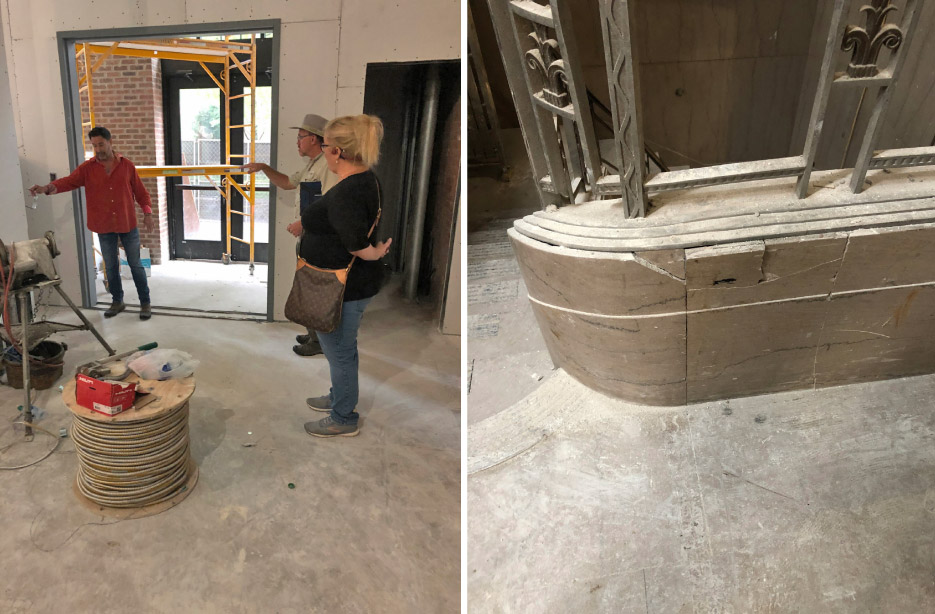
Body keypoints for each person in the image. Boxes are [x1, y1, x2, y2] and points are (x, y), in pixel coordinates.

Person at [302, 114, 392, 438]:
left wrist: (373, 252)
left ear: (337, 151)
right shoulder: (364, 180)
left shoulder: (348, 192)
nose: (322, 151)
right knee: (343, 349)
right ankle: (338, 397)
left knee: (339, 351)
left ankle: (343, 417)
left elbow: (356, 243)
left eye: (324, 145)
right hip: (352, 285)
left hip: (344, 288)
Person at [30, 126, 154, 320]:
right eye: (94, 145)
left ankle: (145, 303)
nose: (98, 149)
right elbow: (68, 182)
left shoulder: (126, 166)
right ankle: (117, 301)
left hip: (127, 223)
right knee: (111, 266)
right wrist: (46, 188)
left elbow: (141, 192)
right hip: (104, 226)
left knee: (135, 264)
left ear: (110, 142)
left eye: (101, 144)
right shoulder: (87, 169)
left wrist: (147, 214)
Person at [243, 113, 338, 357]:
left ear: (315, 140)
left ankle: (318, 342)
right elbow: (287, 183)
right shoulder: (312, 164)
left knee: (312, 289)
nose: (297, 142)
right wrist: (264, 168)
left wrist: (303, 223)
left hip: (318, 240)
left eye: (301, 137)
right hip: (308, 239)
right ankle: (313, 334)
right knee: (305, 286)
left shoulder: (327, 166)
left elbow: (330, 204)